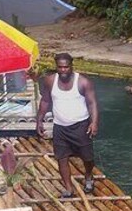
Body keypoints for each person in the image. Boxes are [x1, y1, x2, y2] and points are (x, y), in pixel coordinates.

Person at [35, 53, 99, 198]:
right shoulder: (50, 81)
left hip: (81, 125)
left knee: (87, 157)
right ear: (56, 67)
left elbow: (92, 103)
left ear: (71, 66)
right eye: (60, 67)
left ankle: (88, 176)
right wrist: (39, 120)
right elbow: (45, 101)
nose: (63, 70)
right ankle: (69, 188)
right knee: (61, 157)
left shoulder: (83, 82)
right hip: (60, 127)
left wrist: (94, 123)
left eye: (66, 67)